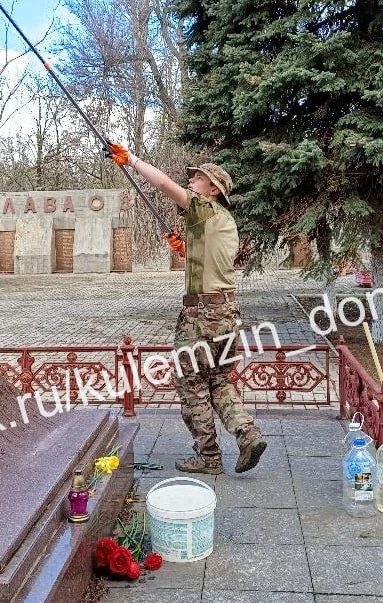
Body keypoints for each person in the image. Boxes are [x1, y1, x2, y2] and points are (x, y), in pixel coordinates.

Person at [107, 142, 267, 475]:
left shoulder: (205, 208)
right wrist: (187, 250)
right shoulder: (224, 220)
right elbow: (214, 262)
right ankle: (248, 433)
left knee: (191, 384)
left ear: (213, 190)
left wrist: (132, 160)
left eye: (198, 179)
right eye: (192, 178)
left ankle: (208, 457)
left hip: (201, 318)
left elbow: (164, 185)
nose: (191, 181)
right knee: (219, 381)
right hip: (227, 314)